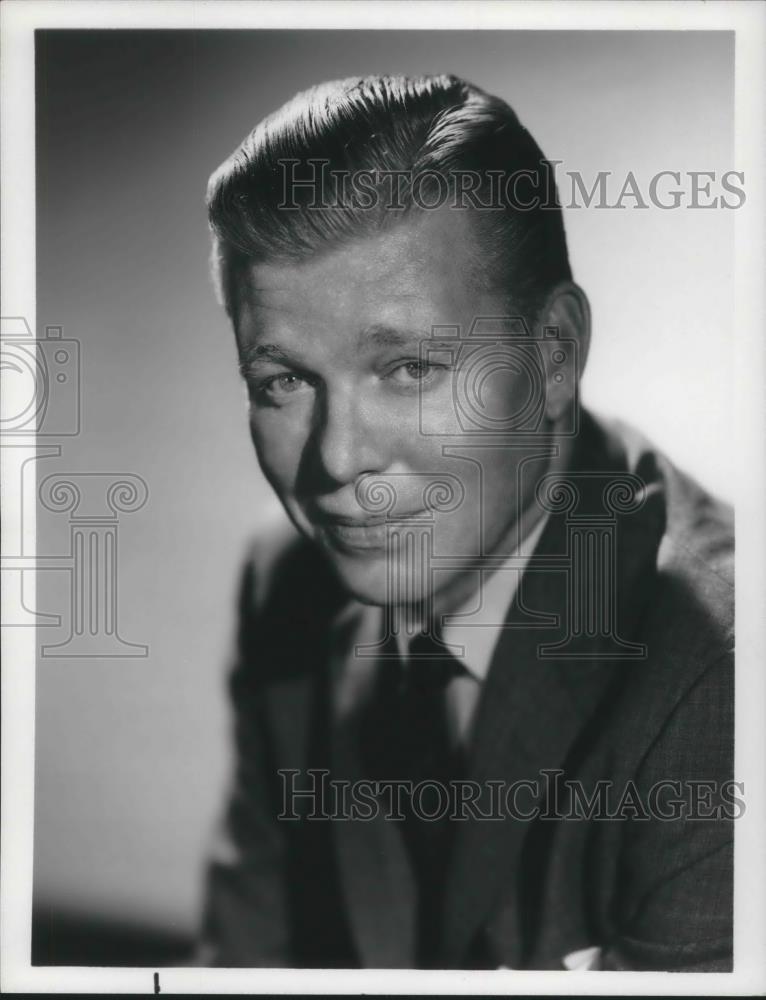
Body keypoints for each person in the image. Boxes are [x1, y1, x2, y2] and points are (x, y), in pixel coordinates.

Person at [198, 75, 734, 971]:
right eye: (283, 382)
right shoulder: (284, 579)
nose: (336, 462)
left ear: (552, 355)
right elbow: (245, 961)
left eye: (408, 367)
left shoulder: (721, 682)